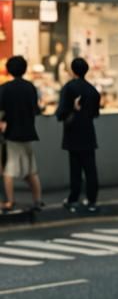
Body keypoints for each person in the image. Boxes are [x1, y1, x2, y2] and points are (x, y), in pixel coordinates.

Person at [0, 55, 45, 213]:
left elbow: (1, 112)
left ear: (8, 70)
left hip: (11, 133)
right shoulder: (30, 87)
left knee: (9, 170)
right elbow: (36, 109)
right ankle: (38, 200)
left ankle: (10, 202)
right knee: (31, 169)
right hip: (28, 132)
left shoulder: (4, 88)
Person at [56, 57, 101, 213]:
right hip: (88, 132)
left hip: (73, 132)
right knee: (90, 168)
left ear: (72, 70)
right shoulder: (93, 90)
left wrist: (73, 111)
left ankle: (73, 199)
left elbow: (61, 113)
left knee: (75, 169)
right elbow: (95, 113)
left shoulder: (68, 88)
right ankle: (92, 200)